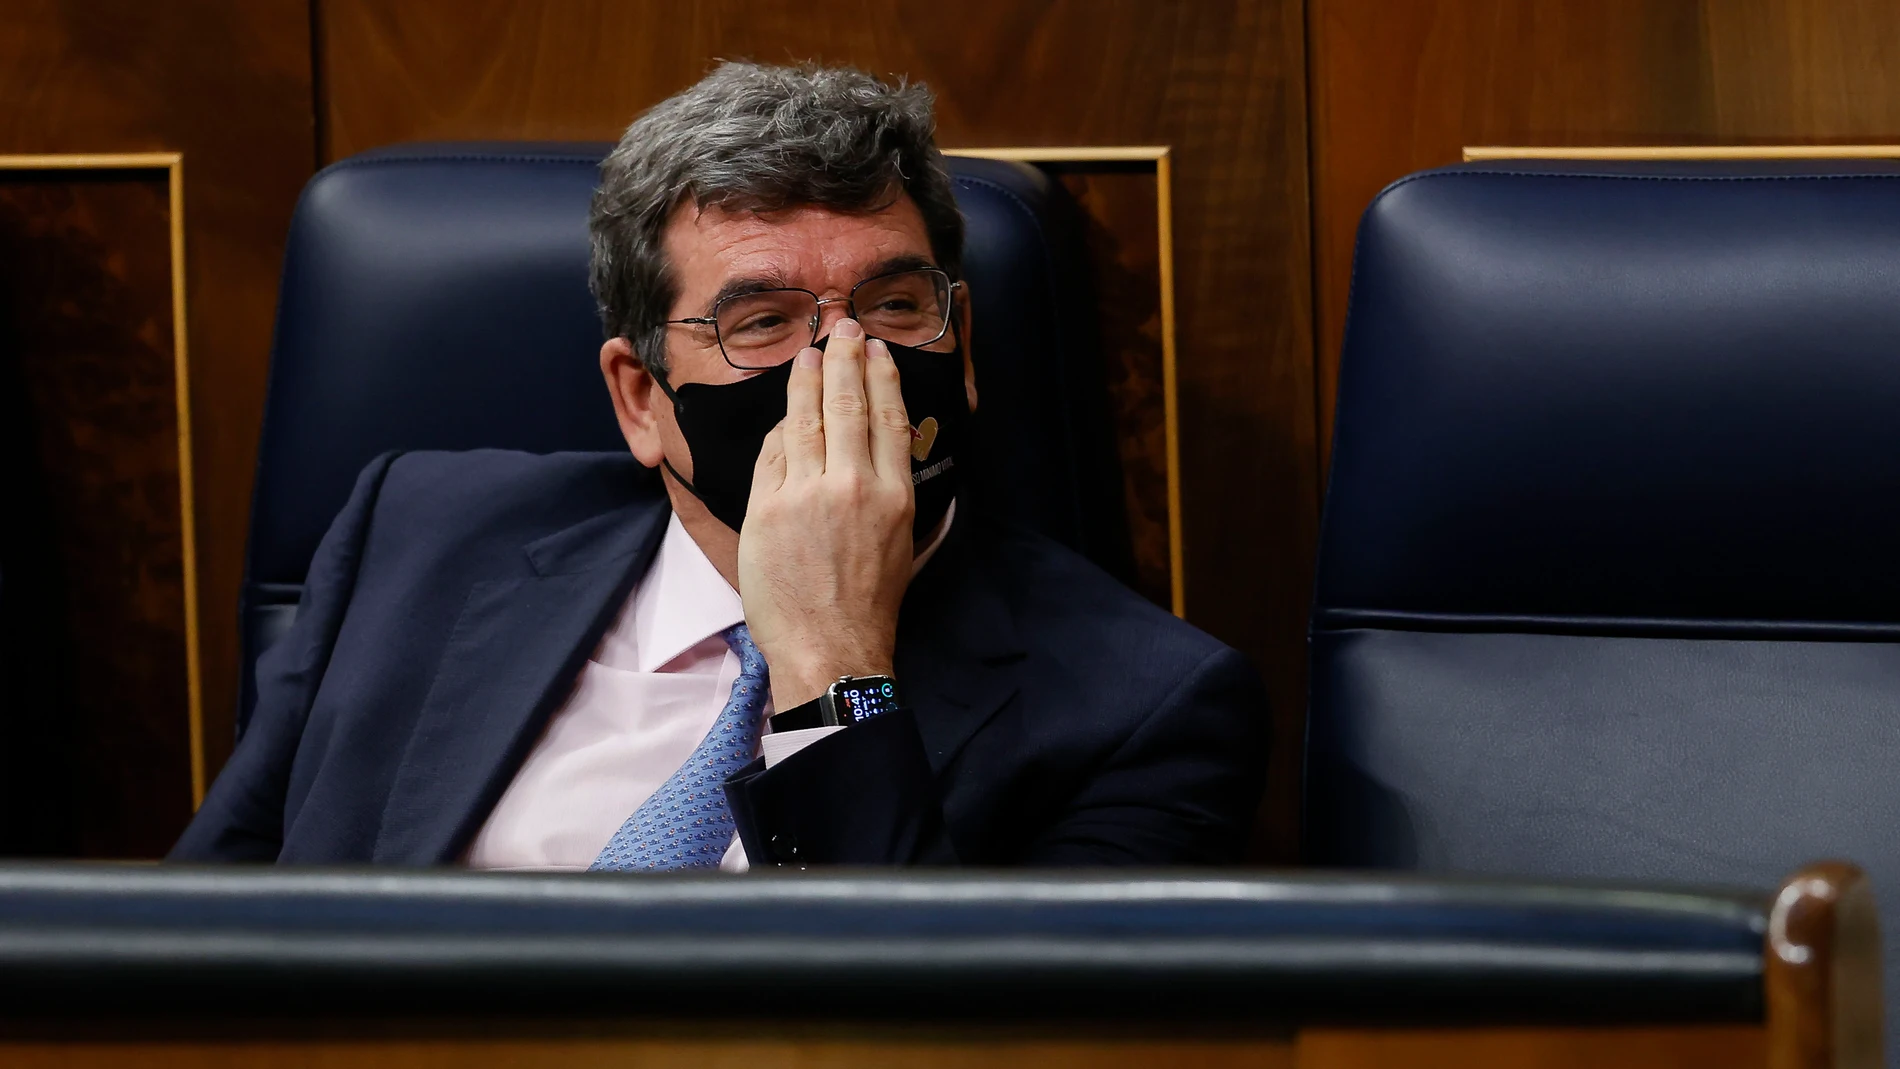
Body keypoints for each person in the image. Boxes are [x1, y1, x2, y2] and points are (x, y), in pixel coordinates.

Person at [172, 62, 1267, 869]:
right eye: (763, 320)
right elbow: (197, 942)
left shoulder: (1149, 710)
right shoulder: (414, 535)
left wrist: (832, 660)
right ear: (641, 397)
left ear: (961, 348)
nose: (844, 357)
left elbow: (929, 1038)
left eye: (894, 306)